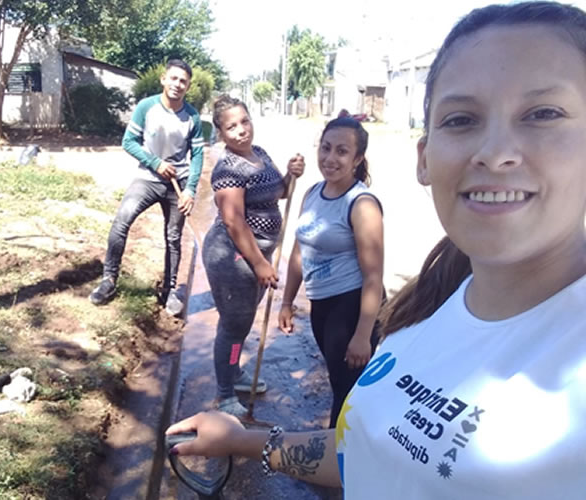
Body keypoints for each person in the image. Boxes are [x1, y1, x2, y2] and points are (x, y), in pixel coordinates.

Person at [167, 3, 586, 498]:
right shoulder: (426, 308)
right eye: (461, 119)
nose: (496, 152)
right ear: (425, 158)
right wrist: (245, 440)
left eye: (543, 113)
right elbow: (363, 450)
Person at [278, 117, 383, 429]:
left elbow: (374, 277)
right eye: (325, 148)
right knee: (340, 382)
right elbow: (299, 252)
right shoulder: (312, 192)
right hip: (321, 306)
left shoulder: (362, 205)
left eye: (341, 151)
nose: (330, 158)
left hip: (350, 308)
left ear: (357, 159)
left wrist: (363, 335)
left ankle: (338, 462)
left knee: (346, 391)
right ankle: (344, 451)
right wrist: (286, 302)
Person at [203, 95, 304, 417]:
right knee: (234, 325)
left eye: (244, 121)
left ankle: (233, 373)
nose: (241, 130)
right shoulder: (227, 168)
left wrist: (290, 174)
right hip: (233, 256)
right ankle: (223, 394)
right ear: (221, 133)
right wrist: (260, 263)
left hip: (255, 256)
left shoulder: (259, 155)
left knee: (241, 322)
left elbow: (280, 193)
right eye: (231, 127)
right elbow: (233, 221)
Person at [90, 59, 205, 316]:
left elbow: (197, 156)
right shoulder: (146, 107)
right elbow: (128, 141)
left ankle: (171, 290)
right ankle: (109, 280)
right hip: (148, 179)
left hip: (179, 184)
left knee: (173, 237)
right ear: (164, 79)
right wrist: (155, 163)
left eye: (183, 81)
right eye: (173, 78)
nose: (177, 84)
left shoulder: (192, 117)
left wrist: (190, 191)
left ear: (188, 86)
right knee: (122, 221)